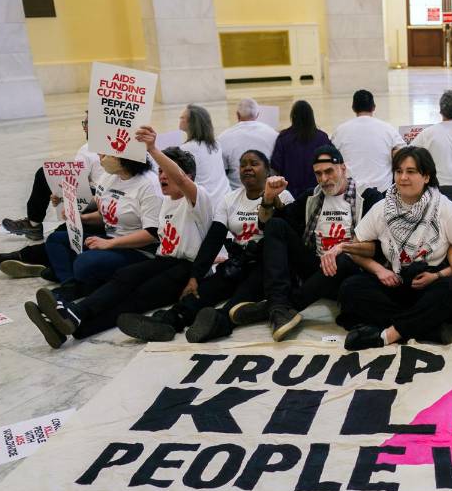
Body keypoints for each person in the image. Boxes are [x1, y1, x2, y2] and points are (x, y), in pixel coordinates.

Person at [25, 130, 212, 348]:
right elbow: (103, 207)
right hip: (164, 260)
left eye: (166, 172)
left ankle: (74, 313)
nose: (161, 175)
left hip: (187, 266)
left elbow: (177, 179)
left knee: (136, 296)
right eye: (160, 171)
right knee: (125, 278)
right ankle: (71, 324)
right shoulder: (168, 201)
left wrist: (151, 149)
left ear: (187, 177)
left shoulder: (199, 199)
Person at [117, 149, 293, 343]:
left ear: (268, 170)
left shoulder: (283, 196)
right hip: (237, 262)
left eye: (254, 163)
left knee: (239, 301)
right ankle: (169, 320)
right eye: (243, 164)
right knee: (202, 291)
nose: (247, 168)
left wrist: (272, 199)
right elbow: (213, 239)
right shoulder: (230, 199)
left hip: (266, 266)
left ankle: (220, 322)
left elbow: (288, 236)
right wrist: (195, 277)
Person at [228, 145, 385, 340]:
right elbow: (266, 224)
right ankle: (278, 304)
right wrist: (269, 197)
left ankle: (280, 306)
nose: (324, 179)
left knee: (344, 259)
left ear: (343, 169)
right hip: (315, 267)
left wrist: (340, 249)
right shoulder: (312, 196)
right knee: (277, 225)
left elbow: (378, 248)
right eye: (318, 174)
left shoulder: (369, 197)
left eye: (329, 171)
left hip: (349, 270)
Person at [336, 146, 452, 350]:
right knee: (350, 289)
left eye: (411, 171)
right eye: (399, 171)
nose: (403, 177)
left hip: (430, 282)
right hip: (396, 281)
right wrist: (380, 270)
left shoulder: (444, 208)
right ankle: (425, 326)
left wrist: (439, 275)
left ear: (426, 176)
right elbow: (355, 247)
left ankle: (388, 335)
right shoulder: (382, 208)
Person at [35, 153, 162, 298]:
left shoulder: (149, 186)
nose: (100, 156)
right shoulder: (109, 176)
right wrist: (75, 211)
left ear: (126, 159)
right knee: (55, 239)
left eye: (107, 154)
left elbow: (152, 234)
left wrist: (110, 244)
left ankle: (73, 276)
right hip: (110, 238)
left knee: (84, 262)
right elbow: (105, 212)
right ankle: (71, 284)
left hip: (139, 249)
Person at [0, 117, 101, 241]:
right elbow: (78, 180)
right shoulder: (89, 149)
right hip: (101, 197)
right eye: (84, 123)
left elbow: (79, 182)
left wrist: (65, 195)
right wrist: (62, 195)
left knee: (44, 174)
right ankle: (34, 225)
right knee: (47, 174)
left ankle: (34, 224)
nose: (84, 127)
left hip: (105, 199)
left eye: (87, 123)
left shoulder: (88, 150)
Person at [330, 89, 404, 193]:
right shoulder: (388, 129)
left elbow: (330, 155)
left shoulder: (340, 131)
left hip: (351, 191)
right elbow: (403, 153)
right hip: (382, 190)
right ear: (373, 107)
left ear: (353, 108)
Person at [272, 99, 332, 198]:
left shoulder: (283, 138)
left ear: (293, 117)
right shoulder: (322, 138)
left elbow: (275, 167)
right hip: (317, 193)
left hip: (290, 195)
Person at [218, 98, 278, 189]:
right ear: (257, 115)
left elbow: (221, 173)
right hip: (267, 190)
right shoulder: (273, 134)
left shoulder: (222, 138)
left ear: (237, 115)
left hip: (235, 193)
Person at [179, 104, 230, 206]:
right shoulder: (216, 145)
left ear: (192, 123)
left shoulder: (185, 149)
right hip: (225, 199)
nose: (180, 119)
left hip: (206, 205)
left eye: (183, 117)